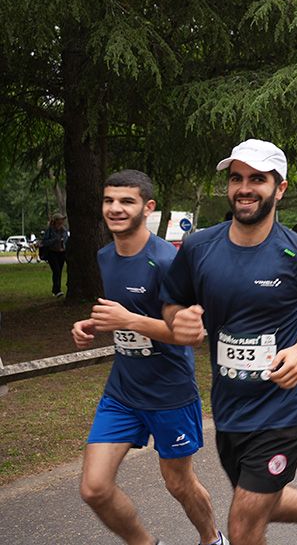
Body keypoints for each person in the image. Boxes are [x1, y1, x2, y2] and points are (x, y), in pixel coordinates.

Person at [160, 139, 297, 545]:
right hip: (229, 408)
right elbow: (172, 305)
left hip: (283, 410)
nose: (244, 188)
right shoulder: (198, 248)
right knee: (265, 501)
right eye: (236, 178)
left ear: (279, 188)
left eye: (257, 179)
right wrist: (182, 321)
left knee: (243, 525)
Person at [72, 170, 225, 545]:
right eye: (109, 201)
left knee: (178, 482)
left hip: (169, 393)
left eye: (127, 201)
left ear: (148, 207)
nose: (115, 209)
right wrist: (92, 324)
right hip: (122, 392)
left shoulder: (169, 261)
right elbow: (125, 311)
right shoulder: (105, 256)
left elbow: (190, 335)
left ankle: (212, 539)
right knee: (94, 488)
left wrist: (128, 320)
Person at [41, 212, 68, 297]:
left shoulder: (64, 230)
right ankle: (57, 290)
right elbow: (45, 242)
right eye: (60, 220)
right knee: (56, 270)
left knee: (59, 271)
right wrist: (55, 239)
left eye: (62, 220)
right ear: (55, 221)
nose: (62, 222)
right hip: (52, 253)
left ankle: (56, 289)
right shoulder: (50, 230)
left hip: (61, 253)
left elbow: (66, 240)